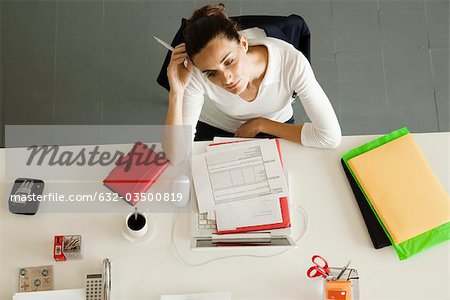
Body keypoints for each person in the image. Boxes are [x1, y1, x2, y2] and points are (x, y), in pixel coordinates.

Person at [162, 3, 341, 164]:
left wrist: (261, 124)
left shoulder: (291, 62)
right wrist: (176, 93)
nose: (226, 79)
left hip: (275, 124)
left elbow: (329, 137)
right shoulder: (197, 73)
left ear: (243, 43)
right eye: (212, 73)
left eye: (229, 61)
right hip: (216, 128)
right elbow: (176, 156)